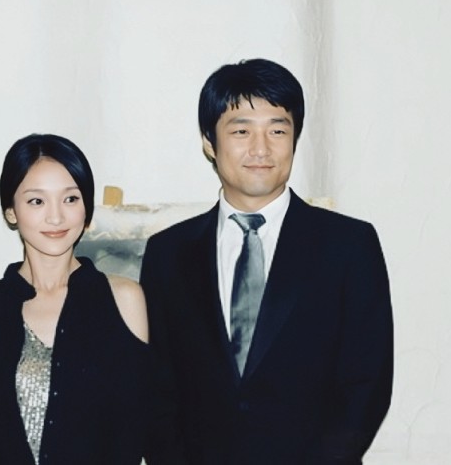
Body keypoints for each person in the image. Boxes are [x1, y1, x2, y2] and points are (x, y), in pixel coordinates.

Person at [140, 58, 393, 464]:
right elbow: (155, 388)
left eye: (277, 130)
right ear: (209, 142)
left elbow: (367, 382)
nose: (261, 149)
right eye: (241, 131)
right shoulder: (167, 253)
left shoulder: (349, 245)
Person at [0, 133, 151, 464]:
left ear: (86, 208)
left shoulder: (124, 300)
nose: (56, 217)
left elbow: (132, 431)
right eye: (37, 201)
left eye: (70, 199)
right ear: (11, 211)